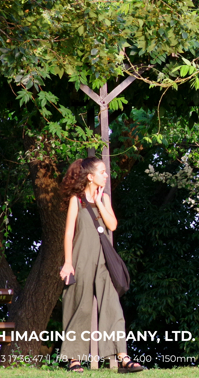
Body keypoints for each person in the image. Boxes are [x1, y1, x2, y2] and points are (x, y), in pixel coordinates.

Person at [59, 157, 145, 373]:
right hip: (81, 258)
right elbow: (69, 233)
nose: (107, 175)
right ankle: (74, 359)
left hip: (104, 260)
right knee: (80, 306)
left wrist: (98, 202)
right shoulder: (76, 200)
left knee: (112, 306)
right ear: (90, 176)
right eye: (102, 172)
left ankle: (123, 358)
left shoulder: (104, 198)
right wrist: (67, 263)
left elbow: (112, 225)